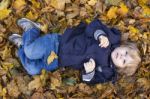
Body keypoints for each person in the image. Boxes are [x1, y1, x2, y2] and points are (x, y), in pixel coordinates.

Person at [9, 18, 141, 84]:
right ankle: (32, 30)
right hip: (58, 43)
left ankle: (23, 47)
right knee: (31, 52)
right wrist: (101, 35)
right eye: (125, 52)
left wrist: (89, 72)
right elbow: (93, 26)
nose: (121, 56)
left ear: (120, 68)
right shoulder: (111, 38)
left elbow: (89, 81)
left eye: (124, 60)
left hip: (57, 61)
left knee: (32, 69)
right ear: (123, 45)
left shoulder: (107, 72)